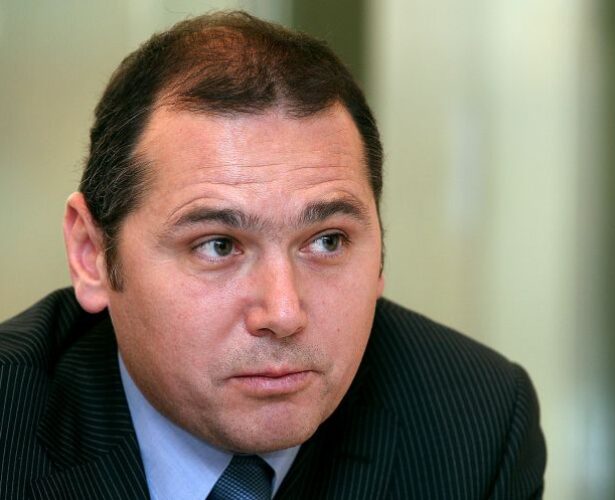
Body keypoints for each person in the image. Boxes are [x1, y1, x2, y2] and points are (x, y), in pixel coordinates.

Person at [0, 11, 545, 500]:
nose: (284, 313)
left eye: (327, 241)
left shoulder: (476, 421)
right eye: (218, 246)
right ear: (92, 255)